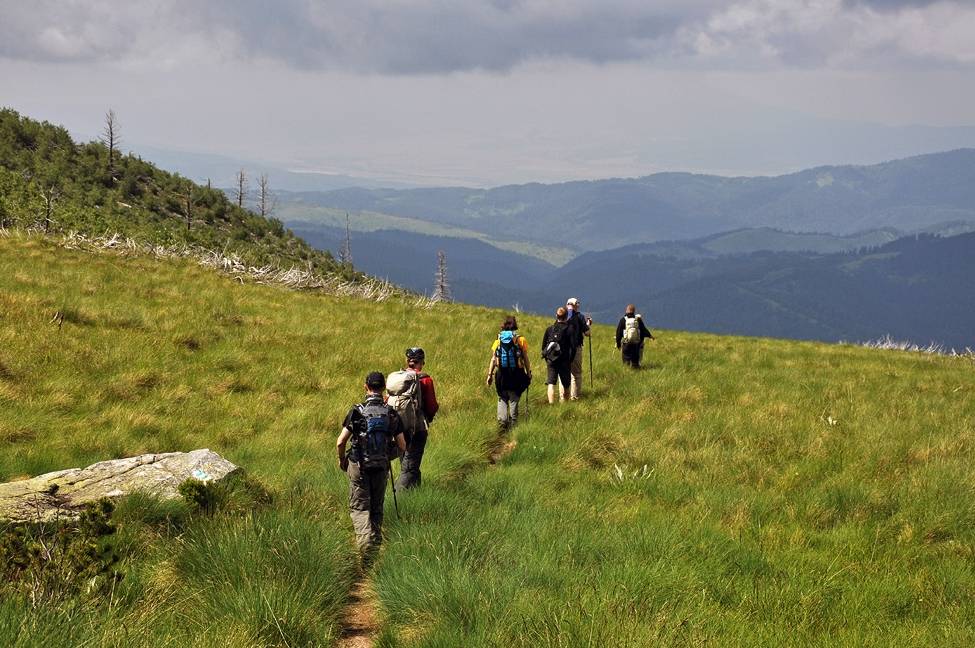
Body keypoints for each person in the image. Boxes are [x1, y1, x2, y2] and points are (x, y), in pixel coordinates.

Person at [336, 371, 407, 558]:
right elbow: (402, 445)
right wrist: (385, 455)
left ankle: (365, 544)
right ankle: (373, 552)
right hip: (381, 468)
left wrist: (342, 459)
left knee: (360, 508)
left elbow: (340, 442)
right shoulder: (390, 413)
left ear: (366, 387)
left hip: (358, 466)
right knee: (377, 508)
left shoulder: (357, 411)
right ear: (383, 388)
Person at [387, 347, 439, 490]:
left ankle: (416, 493)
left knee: (409, 463)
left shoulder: (397, 378)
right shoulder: (425, 379)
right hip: (417, 428)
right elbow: (432, 406)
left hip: (398, 428)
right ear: (422, 362)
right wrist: (428, 417)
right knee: (409, 468)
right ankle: (399, 497)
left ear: (407, 361)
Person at [485, 315, 532, 431]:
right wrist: (528, 372)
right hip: (516, 374)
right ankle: (513, 424)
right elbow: (525, 358)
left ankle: (502, 421)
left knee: (502, 396)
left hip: (501, 375)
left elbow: (493, 359)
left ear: (503, 326)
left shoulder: (498, 340)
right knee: (514, 397)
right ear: (514, 325)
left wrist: (489, 375)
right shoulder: (520, 340)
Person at [541, 307, 575, 404]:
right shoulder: (570, 329)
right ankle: (565, 404)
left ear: (556, 316)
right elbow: (573, 347)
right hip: (564, 361)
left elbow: (543, 346)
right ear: (566, 317)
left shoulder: (550, 329)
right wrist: (570, 359)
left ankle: (551, 404)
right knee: (566, 384)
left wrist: (548, 359)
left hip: (551, 360)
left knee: (551, 383)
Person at [564, 297, 591, 400]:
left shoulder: (562, 315)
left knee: (564, 373)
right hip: (576, 348)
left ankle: (563, 398)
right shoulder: (580, 317)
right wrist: (588, 325)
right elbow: (587, 333)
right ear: (575, 306)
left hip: (563, 350)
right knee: (576, 374)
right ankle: (575, 397)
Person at [615, 304, 654, 368]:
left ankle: (627, 372)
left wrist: (618, 344)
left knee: (626, 362)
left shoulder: (623, 320)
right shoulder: (638, 320)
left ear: (626, 310)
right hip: (636, 344)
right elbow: (643, 330)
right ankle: (636, 370)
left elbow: (618, 333)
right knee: (635, 362)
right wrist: (650, 336)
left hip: (626, 344)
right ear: (634, 311)